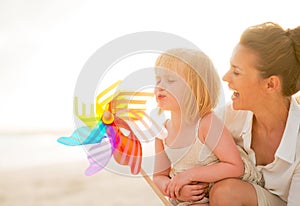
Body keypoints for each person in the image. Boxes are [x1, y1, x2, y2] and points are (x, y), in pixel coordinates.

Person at [152, 48, 264, 205]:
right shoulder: (162, 133)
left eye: (170, 80)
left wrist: (188, 175)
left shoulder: (207, 124)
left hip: (229, 194)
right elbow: (159, 176)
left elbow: (235, 166)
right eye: (158, 80)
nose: (160, 86)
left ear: (195, 88)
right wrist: (176, 189)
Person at [206, 22, 300, 206]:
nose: (225, 77)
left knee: (226, 193)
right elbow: (186, 137)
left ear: (270, 84)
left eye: (236, 71)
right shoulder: (228, 117)